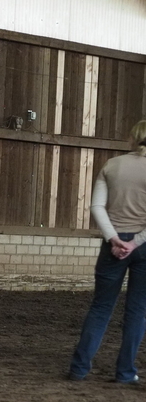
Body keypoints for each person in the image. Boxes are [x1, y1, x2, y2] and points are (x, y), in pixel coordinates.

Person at [69, 120, 146, 384]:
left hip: (112, 245)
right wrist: (136, 242)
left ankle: (79, 368)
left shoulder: (112, 165)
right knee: (138, 311)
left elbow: (96, 207)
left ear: (133, 139)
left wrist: (114, 239)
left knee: (101, 307)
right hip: (143, 246)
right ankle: (125, 372)